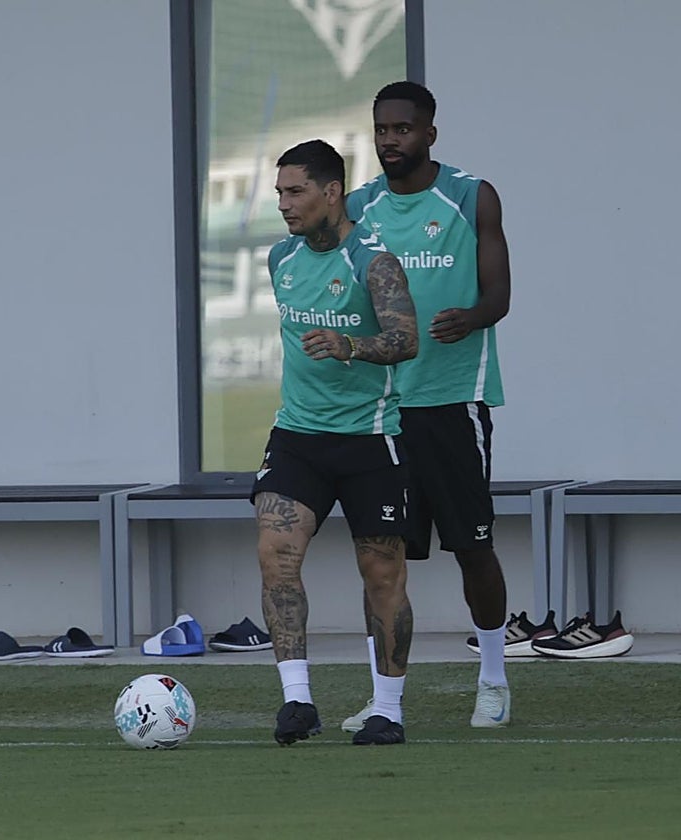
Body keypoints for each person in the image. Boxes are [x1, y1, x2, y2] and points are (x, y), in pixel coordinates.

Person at [342, 80, 523, 730]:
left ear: (429, 134)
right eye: (382, 129)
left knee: (473, 548)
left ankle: (495, 679)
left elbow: (500, 297)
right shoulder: (359, 208)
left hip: (453, 403)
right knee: (382, 556)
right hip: (383, 412)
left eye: (403, 129)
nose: (391, 140)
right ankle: (383, 698)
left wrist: (470, 317)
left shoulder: (472, 197)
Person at [254, 138, 419, 747]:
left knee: (381, 574)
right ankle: (297, 702)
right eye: (279, 193)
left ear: (331, 192)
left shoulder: (374, 262)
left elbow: (407, 341)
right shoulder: (281, 259)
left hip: (369, 441)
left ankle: (387, 710)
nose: (284, 205)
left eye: (295, 192)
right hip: (298, 437)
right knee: (276, 557)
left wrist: (350, 345)